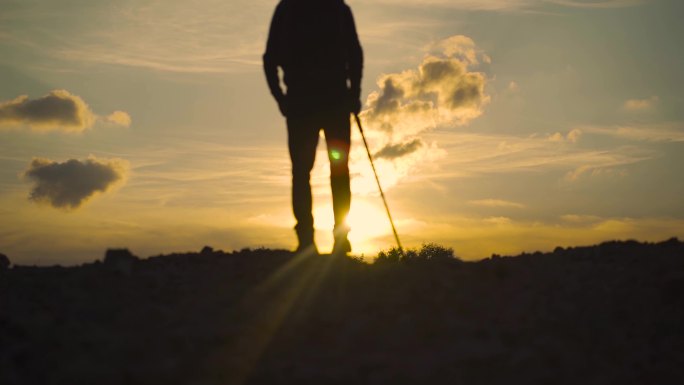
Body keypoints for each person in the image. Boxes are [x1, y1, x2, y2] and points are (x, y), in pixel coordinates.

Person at [263, 0, 363, 254]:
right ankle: (327, 238)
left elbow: (269, 58)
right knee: (333, 170)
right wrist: (354, 93)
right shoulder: (336, 8)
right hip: (326, 102)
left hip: (306, 104)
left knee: (306, 171)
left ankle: (311, 239)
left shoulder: (289, 9)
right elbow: (355, 53)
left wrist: (281, 98)